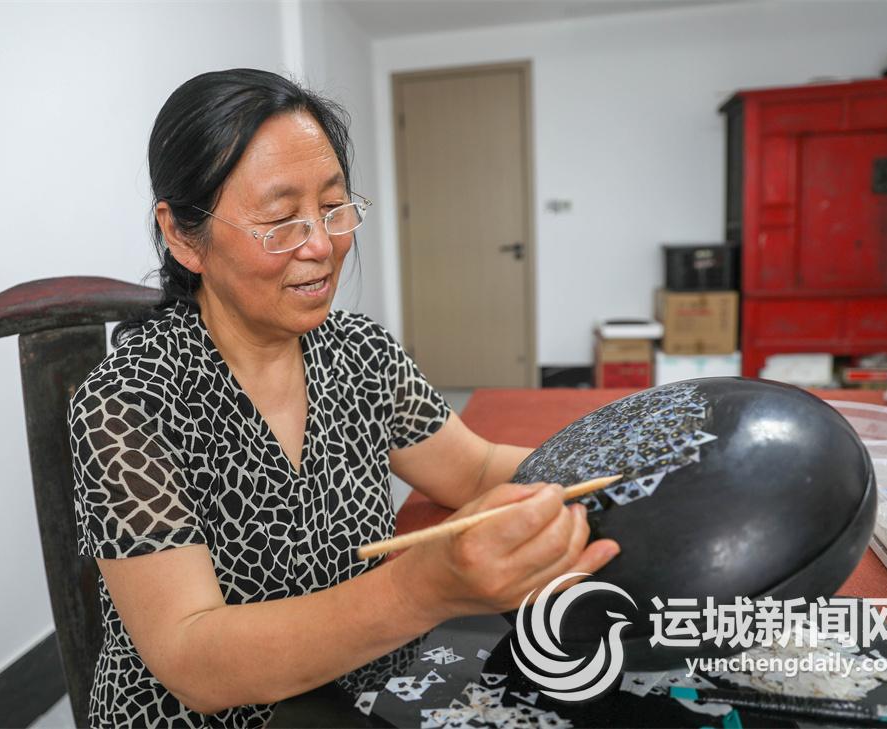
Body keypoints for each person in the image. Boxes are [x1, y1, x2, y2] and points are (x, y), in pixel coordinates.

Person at [69, 68, 621, 729]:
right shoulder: (129, 401)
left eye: (333, 208)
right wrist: (420, 589)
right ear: (185, 236)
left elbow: (471, 467)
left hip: (362, 690)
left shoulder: (358, 351)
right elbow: (193, 658)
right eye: (280, 220)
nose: (321, 245)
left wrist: (623, 462)